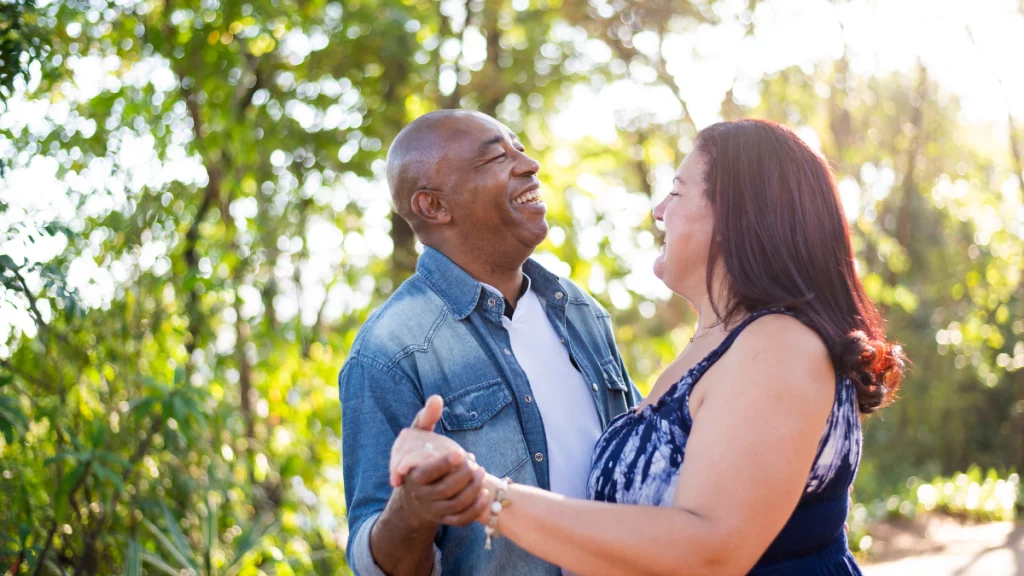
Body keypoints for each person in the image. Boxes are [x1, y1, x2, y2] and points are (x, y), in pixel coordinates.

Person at [390, 119, 906, 575]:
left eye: (677, 193)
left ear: (736, 216)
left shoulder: (779, 346)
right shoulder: (714, 349)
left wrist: (486, 495)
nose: (660, 211)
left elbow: (712, 549)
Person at [339, 109, 641, 576]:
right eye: (496, 157)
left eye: (518, 147)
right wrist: (413, 510)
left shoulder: (580, 311)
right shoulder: (390, 352)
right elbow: (378, 563)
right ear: (434, 207)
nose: (528, 164)